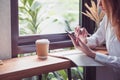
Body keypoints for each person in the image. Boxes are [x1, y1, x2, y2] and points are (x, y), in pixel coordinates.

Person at [68, 0, 120, 80]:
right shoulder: (108, 18)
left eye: (103, 1)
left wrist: (92, 54)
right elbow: (97, 37)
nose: (99, 5)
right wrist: (84, 40)